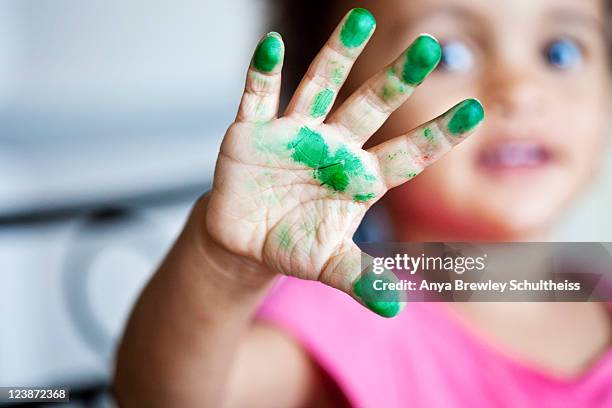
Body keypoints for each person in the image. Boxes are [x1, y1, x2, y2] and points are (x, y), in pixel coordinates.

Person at [113, 0, 612, 406]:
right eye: (451, 55)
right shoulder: (351, 314)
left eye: (560, 52)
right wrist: (221, 261)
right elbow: (164, 398)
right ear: (343, 104)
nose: (520, 92)